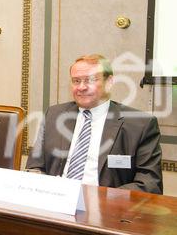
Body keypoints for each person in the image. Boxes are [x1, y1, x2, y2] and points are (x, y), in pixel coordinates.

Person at [26, 54, 163, 194]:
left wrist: (100, 198)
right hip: (56, 203)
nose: (81, 87)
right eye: (76, 81)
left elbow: (150, 184)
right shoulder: (54, 115)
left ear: (109, 82)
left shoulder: (140, 124)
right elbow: (35, 167)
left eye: (90, 80)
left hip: (108, 208)